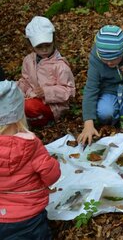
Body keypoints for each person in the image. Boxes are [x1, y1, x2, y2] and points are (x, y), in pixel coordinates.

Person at [0, 80, 61, 239]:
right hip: (30, 217)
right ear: (19, 115)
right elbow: (51, 175)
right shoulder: (30, 145)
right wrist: (53, 165)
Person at [18, 16, 75, 127]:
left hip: (54, 106)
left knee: (29, 107)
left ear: (53, 40)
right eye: (39, 47)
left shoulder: (60, 65)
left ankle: (42, 122)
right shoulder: (29, 60)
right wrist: (18, 90)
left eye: (48, 45)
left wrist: (46, 92)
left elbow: (69, 91)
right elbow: (25, 80)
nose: (44, 50)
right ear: (31, 45)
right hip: (32, 98)